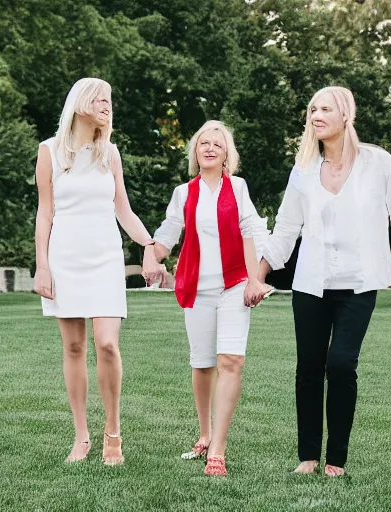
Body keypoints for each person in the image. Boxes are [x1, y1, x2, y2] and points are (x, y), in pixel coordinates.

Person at [256, 86, 391, 477]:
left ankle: (335, 459)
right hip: (310, 284)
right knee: (309, 368)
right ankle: (308, 457)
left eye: (325, 109)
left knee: (340, 365)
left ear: (346, 115)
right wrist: (258, 277)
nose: (316, 115)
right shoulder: (303, 168)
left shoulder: (378, 163)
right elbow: (286, 231)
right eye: (312, 109)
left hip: (357, 285)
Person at [33, 77, 156, 465]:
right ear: (79, 102)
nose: (106, 104)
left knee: (106, 343)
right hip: (64, 257)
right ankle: (82, 436)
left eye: (109, 100)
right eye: (99, 98)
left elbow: (124, 209)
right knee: (73, 347)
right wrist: (42, 266)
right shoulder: (49, 152)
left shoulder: (110, 154)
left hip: (105, 258)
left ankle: (113, 433)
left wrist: (150, 245)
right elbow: (45, 212)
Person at [143, 120, 272, 477]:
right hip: (197, 288)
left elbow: (251, 230)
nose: (211, 148)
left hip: (234, 285)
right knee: (202, 363)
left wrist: (255, 279)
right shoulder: (184, 193)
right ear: (195, 152)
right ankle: (204, 434)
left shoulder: (238, 187)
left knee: (231, 360)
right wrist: (150, 255)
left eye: (218, 143)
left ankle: (218, 448)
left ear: (227, 153)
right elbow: (167, 235)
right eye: (204, 143)